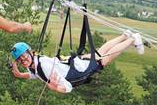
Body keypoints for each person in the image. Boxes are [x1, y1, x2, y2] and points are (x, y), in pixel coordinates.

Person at [10, 30, 144, 94]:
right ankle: (125, 35)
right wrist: (20, 75)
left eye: (25, 56)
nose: (24, 60)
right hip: (72, 64)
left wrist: (55, 87)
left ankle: (133, 39)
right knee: (100, 52)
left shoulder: (43, 65)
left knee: (105, 59)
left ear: (30, 52)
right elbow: (35, 74)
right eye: (20, 60)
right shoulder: (34, 63)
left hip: (76, 71)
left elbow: (67, 87)